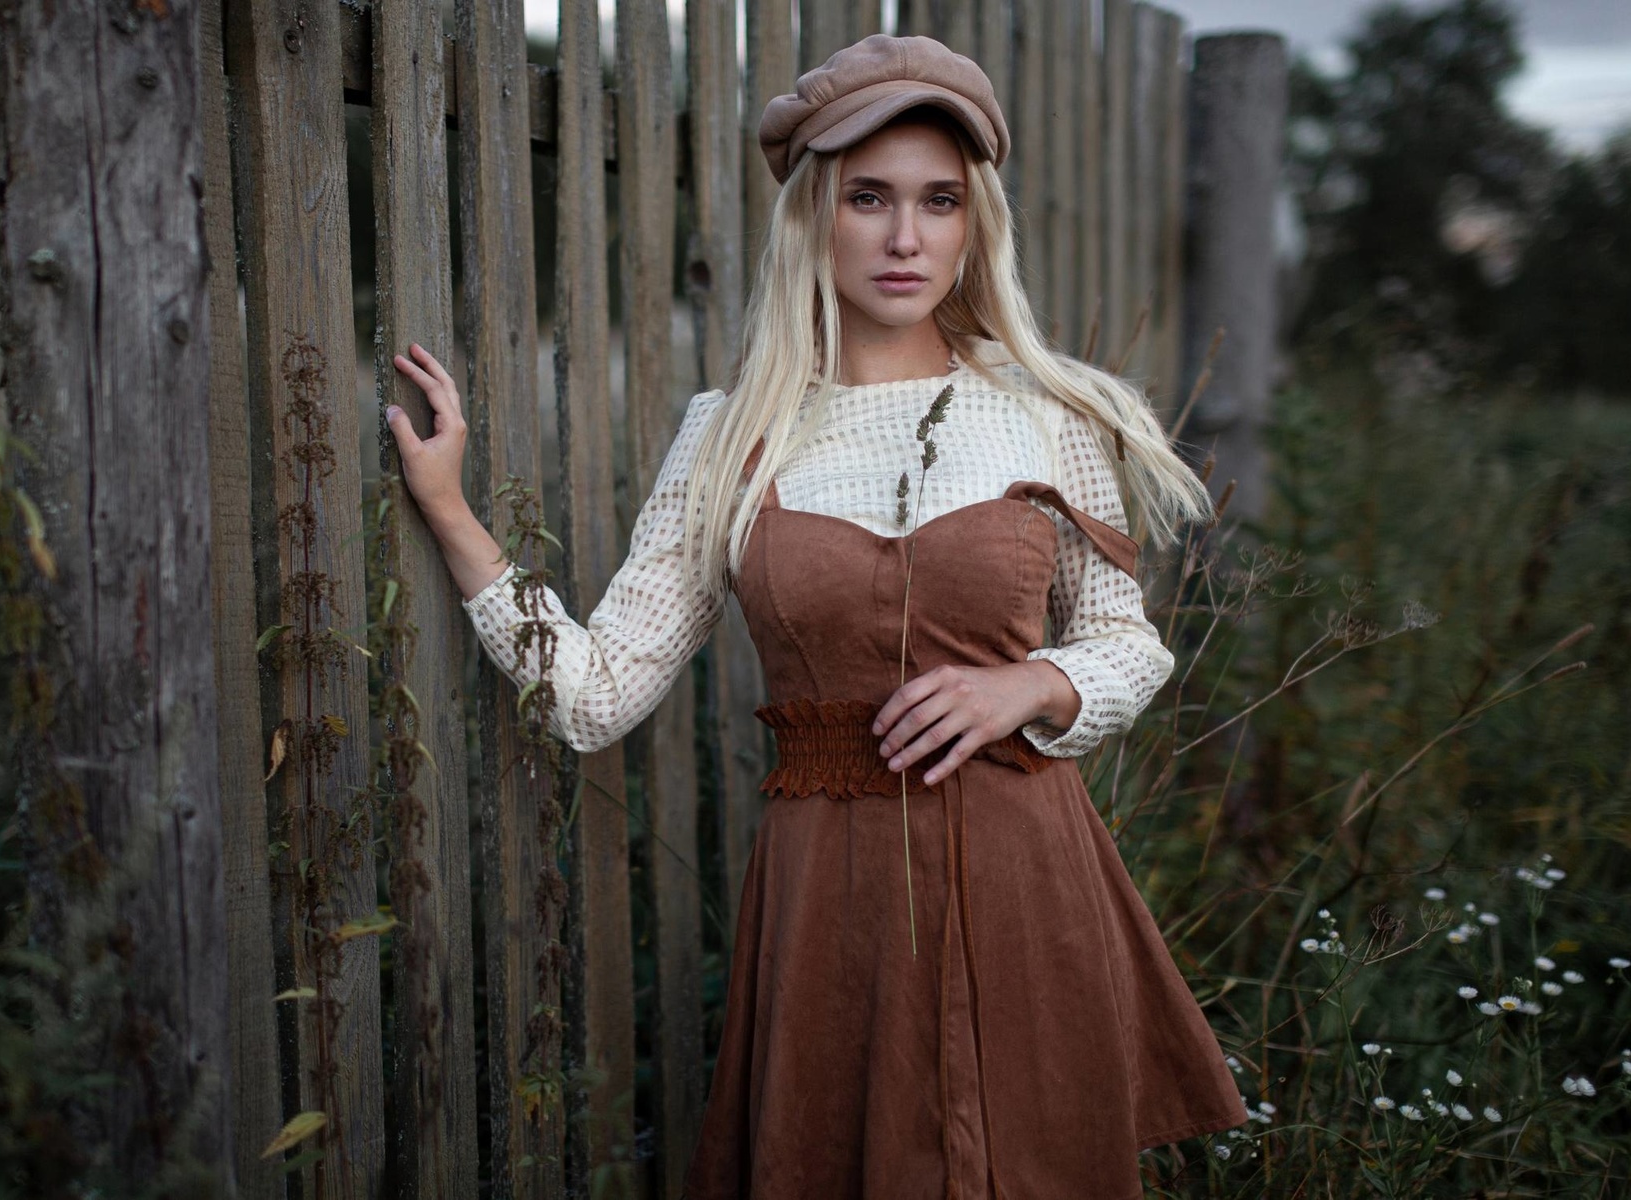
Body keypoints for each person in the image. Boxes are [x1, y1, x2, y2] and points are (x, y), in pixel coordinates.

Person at [384, 32, 1247, 1200]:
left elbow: (1125, 643)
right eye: (870, 199)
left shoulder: (1049, 414)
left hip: (1026, 877)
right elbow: (592, 697)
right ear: (812, 218)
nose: (906, 238)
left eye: (939, 201)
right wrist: (450, 512)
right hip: (829, 899)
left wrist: (1031, 687)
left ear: (974, 221)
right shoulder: (731, 435)